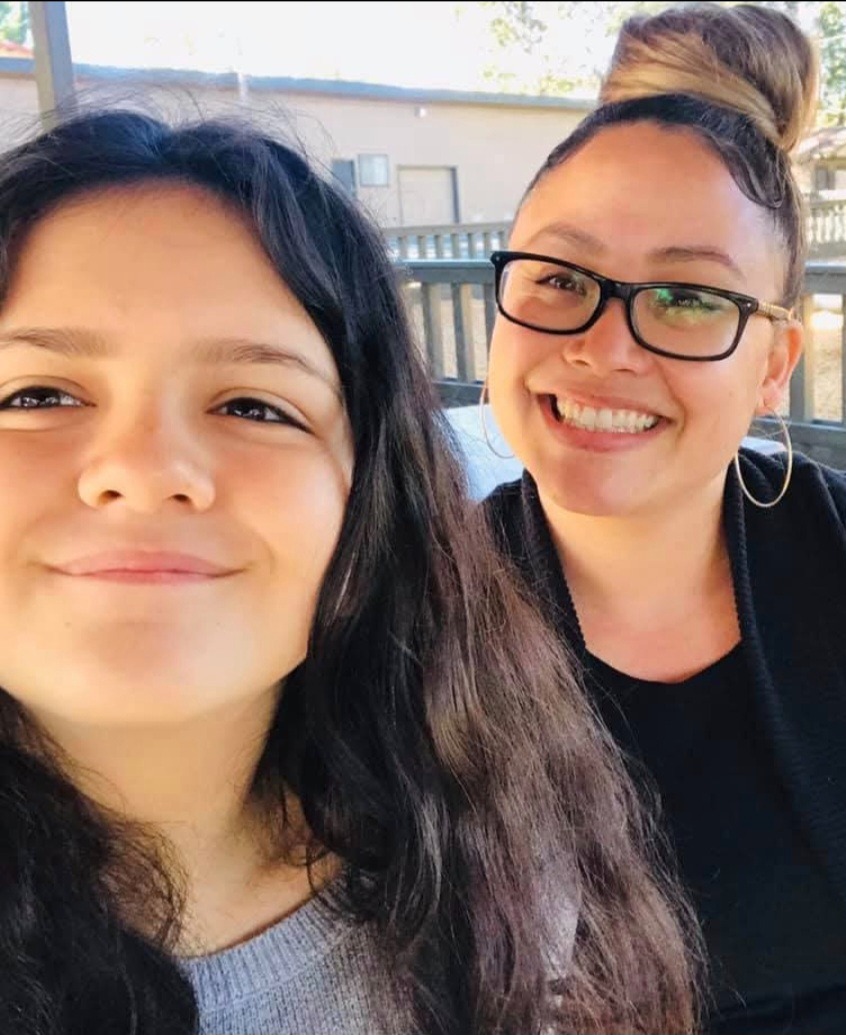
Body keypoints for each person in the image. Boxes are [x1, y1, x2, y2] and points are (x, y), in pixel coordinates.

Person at [0, 107, 702, 1035]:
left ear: (370, 496)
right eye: (37, 394)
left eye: (254, 405)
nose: (142, 468)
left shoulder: (501, 886)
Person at [480, 4, 846, 1033]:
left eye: (687, 297)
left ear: (774, 364)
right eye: (561, 279)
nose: (605, 348)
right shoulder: (411, 613)